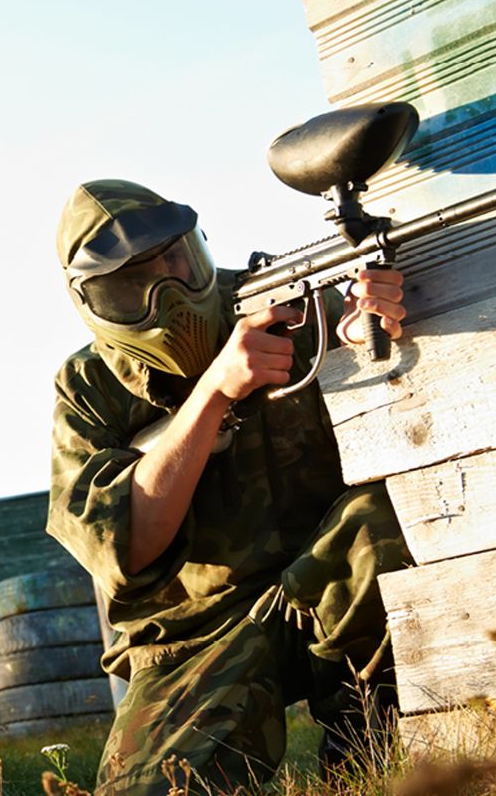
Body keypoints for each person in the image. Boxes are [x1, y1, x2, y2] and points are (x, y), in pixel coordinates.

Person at [46, 179, 414, 794]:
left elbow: (357, 331)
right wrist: (216, 391)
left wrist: (355, 332)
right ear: (94, 302)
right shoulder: (87, 389)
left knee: (378, 521)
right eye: (134, 283)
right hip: (191, 640)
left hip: (324, 584)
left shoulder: (277, 300)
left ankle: (364, 765)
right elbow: (126, 550)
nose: (167, 294)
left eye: (175, 263)